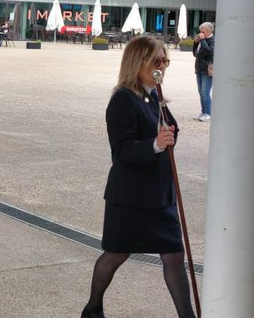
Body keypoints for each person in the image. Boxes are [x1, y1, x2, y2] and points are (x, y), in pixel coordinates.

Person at [81, 34, 193, 318]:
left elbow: (170, 130)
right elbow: (121, 152)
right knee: (117, 254)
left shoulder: (155, 94)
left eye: (165, 60)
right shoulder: (122, 99)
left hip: (159, 194)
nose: (162, 66)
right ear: (138, 62)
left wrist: (167, 136)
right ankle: (93, 308)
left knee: (174, 255)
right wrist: (155, 144)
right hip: (131, 196)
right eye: (157, 61)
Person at [192, 22, 214, 122]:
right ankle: (203, 111)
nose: (200, 33)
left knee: (205, 92)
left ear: (209, 31)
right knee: (201, 92)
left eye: (202, 31)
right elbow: (195, 53)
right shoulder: (202, 40)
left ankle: (209, 113)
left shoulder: (213, 40)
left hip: (207, 70)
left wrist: (203, 40)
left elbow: (209, 52)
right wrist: (196, 42)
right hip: (199, 69)